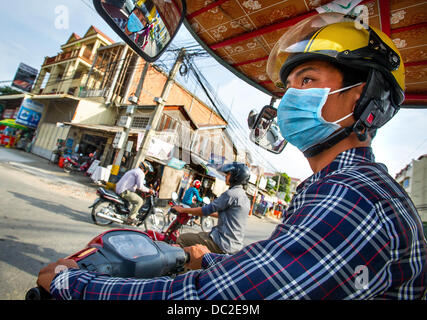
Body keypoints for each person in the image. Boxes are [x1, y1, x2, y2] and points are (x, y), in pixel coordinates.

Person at [37, 12, 426, 300]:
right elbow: (281, 271)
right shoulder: (339, 185)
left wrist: (71, 283)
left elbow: (227, 300)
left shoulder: (352, 196)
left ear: (365, 97)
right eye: (287, 88)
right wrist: (206, 261)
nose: (290, 98)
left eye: (307, 80)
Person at [174, 163, 251, 254]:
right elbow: (226, 215)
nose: (226, 176)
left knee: (182, 239)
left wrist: (182, 210)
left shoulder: (231, 194)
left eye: (229, 174)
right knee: (200, 235)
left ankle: (186, 267)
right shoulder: (245, 198)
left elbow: (205, 210)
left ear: (235, 177)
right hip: (234, 245)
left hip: (222, 243)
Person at [115, 160, 155, 225]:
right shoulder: (140, 173)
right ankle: (130, 218)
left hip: (119, 188)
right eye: (147, 171)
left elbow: (134, 184)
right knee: (140, 201)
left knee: (135, 198)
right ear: (145, 169)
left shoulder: (134, 170)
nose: (147, 172)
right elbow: (140, 186)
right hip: (124, 191)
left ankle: (129, 214)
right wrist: (149, 190)